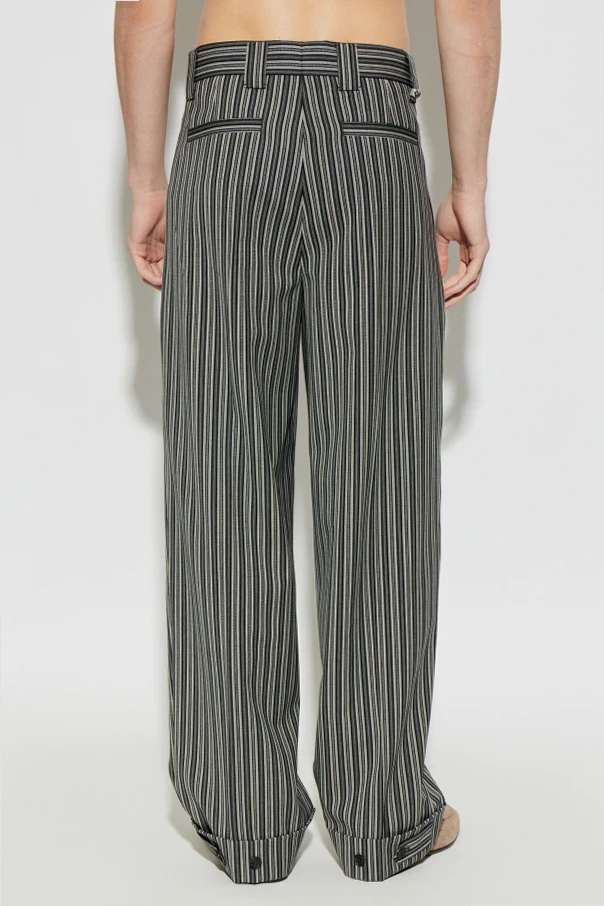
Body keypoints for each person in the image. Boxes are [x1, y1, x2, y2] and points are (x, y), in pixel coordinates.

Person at [114, 0, 500, 885]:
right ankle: (381, 815)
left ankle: (244, 818)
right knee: (381, 476)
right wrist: (469, 182)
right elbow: (469, 7)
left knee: (223, 470)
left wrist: (145, 181)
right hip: (371, 125)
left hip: (228, 125)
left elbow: (143, 11)